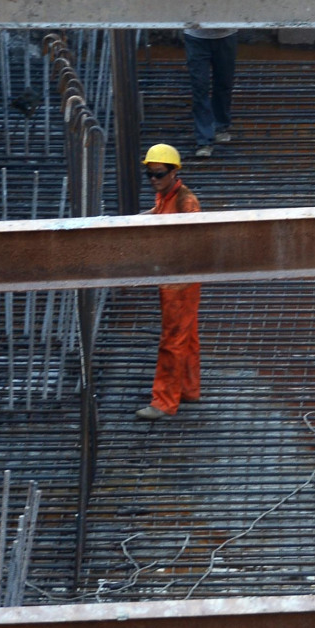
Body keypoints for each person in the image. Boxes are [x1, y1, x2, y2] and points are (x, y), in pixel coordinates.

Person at [135, 144, 202, 421]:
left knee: (172, 340)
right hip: (173, 279)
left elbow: (195, 239)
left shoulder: (186, 202)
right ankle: (188, 389)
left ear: (174, 173)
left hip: (180, 283)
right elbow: (157, 213)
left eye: (159, 174)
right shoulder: (166, 195)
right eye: (149, 174)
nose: (153, 179)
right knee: (186, 338)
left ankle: (164, 401)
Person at [181, 0, 242, 158]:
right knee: (200, 86)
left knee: (224, 83)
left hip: (225, 35)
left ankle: (221, 125)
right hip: (197, 36)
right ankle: (203, 140)